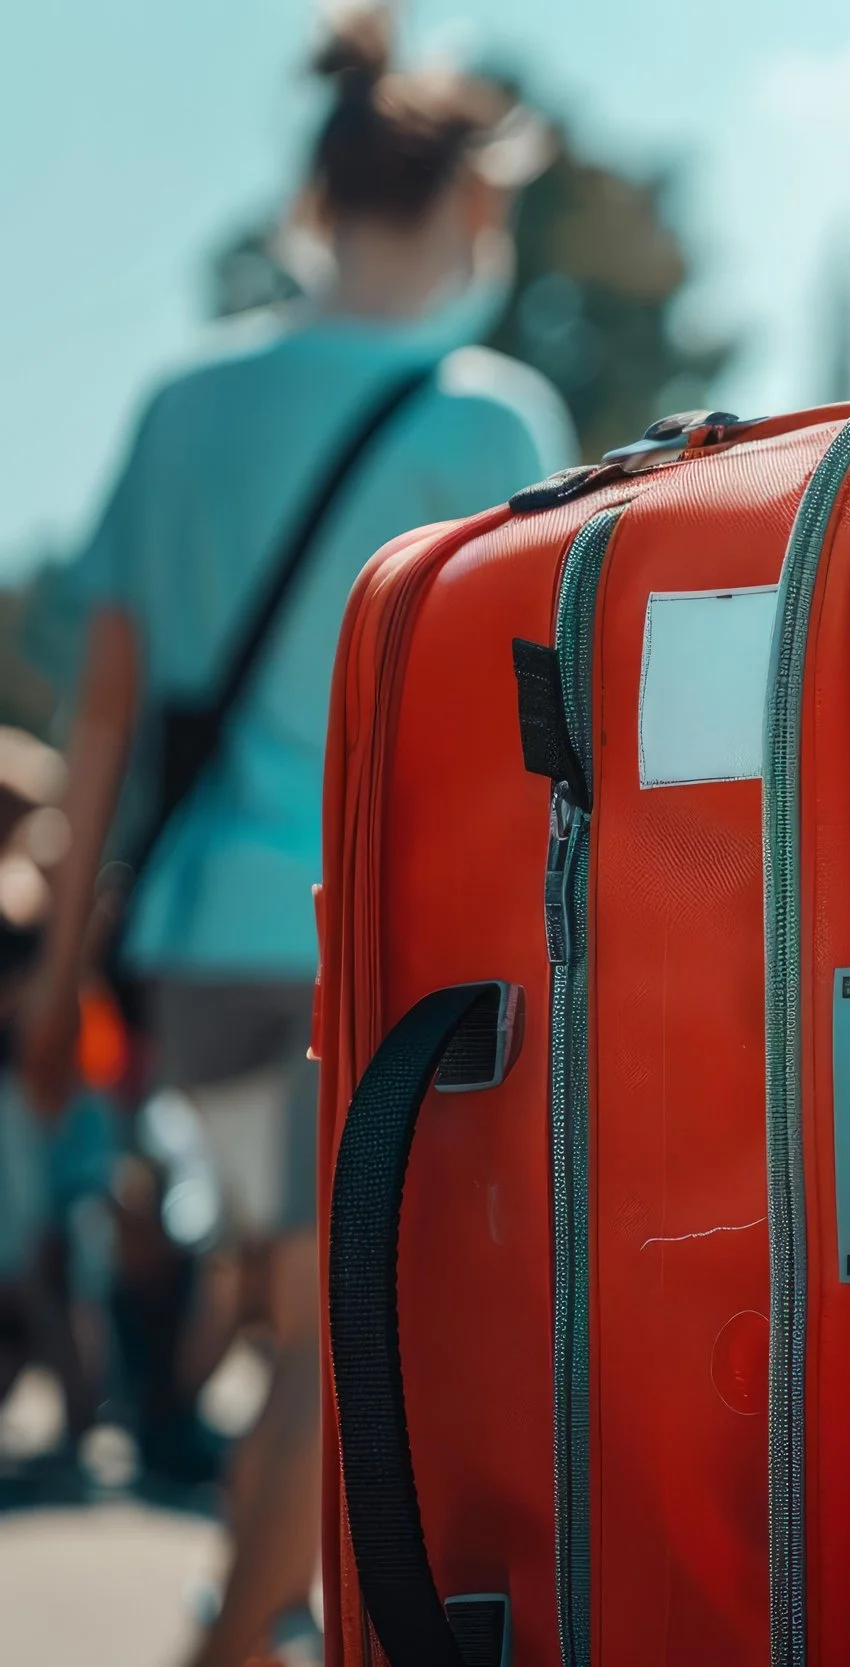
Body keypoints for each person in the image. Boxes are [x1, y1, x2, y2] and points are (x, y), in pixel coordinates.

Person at [14, 15, 571, 1665]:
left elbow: (105, 714)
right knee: (351, 1329)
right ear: (473, 203)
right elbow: (539, 717)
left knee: (298, 1308)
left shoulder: (186, 400)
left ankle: (266, 1610)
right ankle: (239, 1629)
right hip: (377, 940)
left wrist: (59, 980)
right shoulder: (493, 418)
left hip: (200, 948)